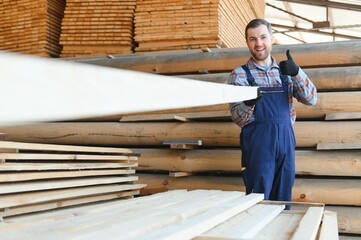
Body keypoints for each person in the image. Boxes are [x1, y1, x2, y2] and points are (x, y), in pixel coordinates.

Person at [227, 19, 317, 208]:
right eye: (252, 39)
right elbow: (237, 117)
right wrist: (248, 104)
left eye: (262, 37)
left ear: (271, 38)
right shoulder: (239, 75)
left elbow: (311, 99)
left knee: (283, 198)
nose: (258, 43)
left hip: (285, 142)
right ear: (247, 42)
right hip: (258, 145)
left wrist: (297, 73)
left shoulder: (286, 73)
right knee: (258, 199)